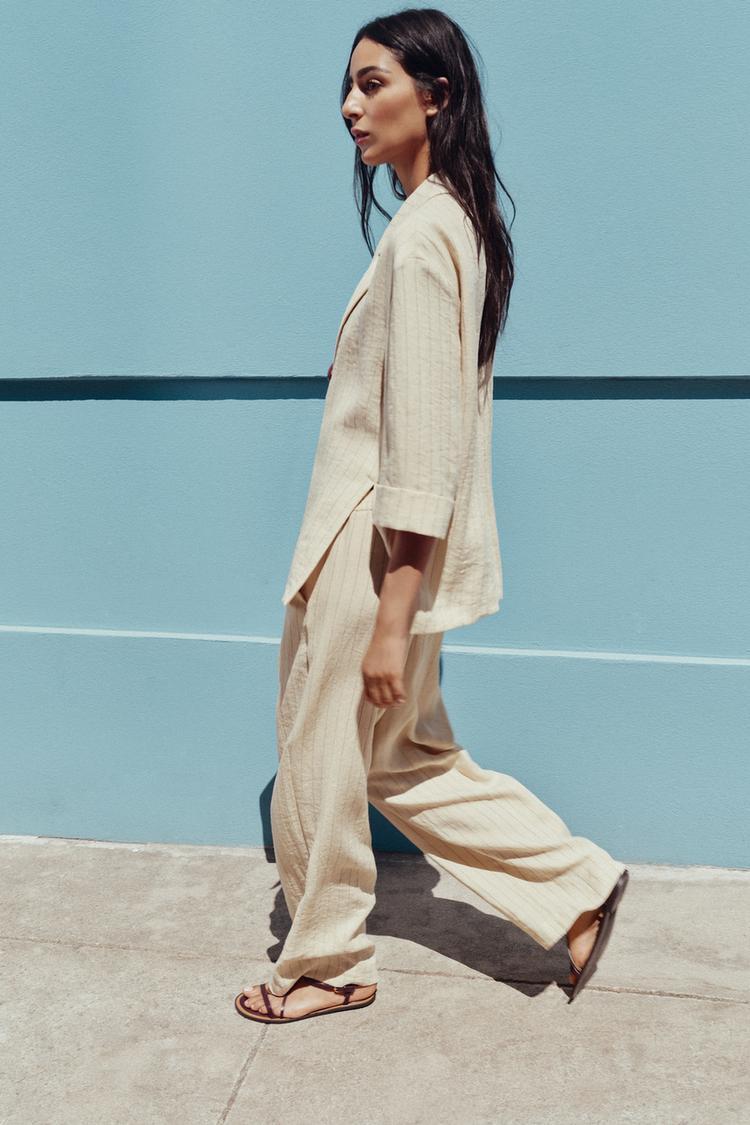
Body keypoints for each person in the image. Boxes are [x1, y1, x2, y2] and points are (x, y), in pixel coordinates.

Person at [235, 8, 628, 1025]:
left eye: (373, 84)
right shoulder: (453, 222)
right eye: (348, 86)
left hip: (372, 550)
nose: (349, 106)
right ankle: (575, 884)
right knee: (397, 753)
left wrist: (393, 611)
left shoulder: (420, 238)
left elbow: (419, 446)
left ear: (435, 95)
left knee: (322, 751)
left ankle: (327, 960)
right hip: (396, 550)